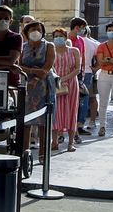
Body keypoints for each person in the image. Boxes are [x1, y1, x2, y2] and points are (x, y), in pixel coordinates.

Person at [19, 20, 54, 156]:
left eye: (39, 29)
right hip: (27, 85)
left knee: (42, 121)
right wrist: (33, 71)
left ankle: (43, 153)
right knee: (26, 120)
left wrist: (37, 77)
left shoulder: (49, 46)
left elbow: (47, 67)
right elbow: (19, 65)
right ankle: (24, 152)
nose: (36, 32)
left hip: (44, 86)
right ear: (27, 32)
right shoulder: (23, 47)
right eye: (33, 29)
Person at [49, 26, 82, 152]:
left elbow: (78, 68)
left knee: (71, 110)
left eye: (60, 36)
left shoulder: (74, 51)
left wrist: (65, 78)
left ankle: (71, 142)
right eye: (56, 36)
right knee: (55, 112)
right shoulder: (51, 51)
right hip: (55, 83)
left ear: (66, 37)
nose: (58, 39)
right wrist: (57, 78)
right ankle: (54, 141)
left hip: (71, 83)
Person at [69, 16, 96, 136]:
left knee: (82, 100)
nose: (84, 30)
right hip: (66, 73)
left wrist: (83, 73)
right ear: (77, 27)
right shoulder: (66, 38)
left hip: (80, 74)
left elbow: (83, 57)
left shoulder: (81, 40)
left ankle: (79, 125)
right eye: (82, 28)